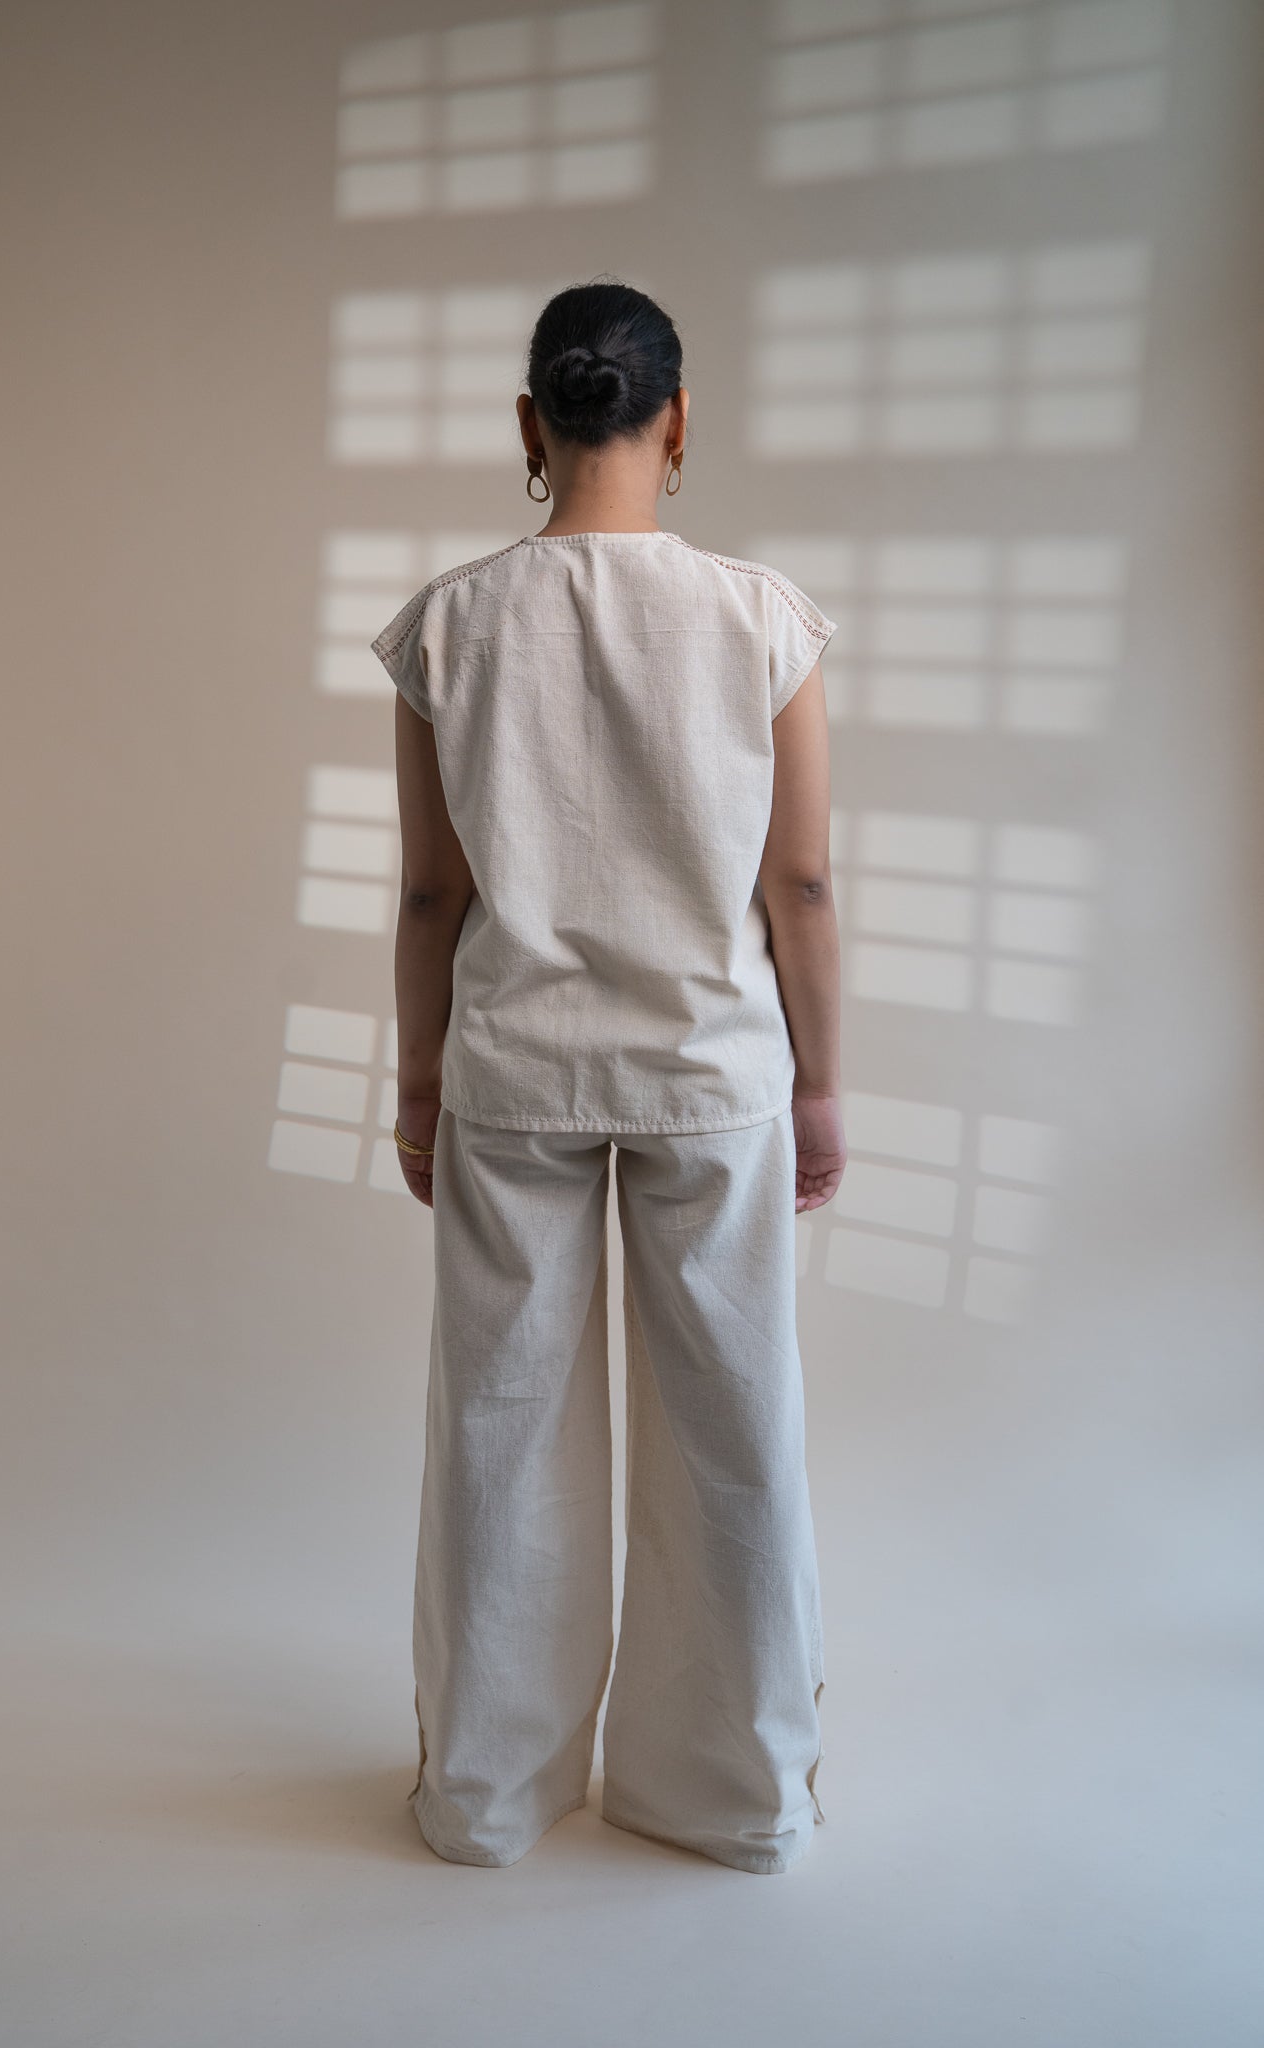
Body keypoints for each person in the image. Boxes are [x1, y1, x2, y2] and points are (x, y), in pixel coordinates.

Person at [371, 276, 847, 1876]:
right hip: (713, 1072)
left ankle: (486, 1794)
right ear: (677, 418)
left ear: (531, 421)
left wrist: (419, 1085)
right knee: (736, 1430)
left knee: (499, 1430)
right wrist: (820, 1086)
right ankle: (732, 1793)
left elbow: (430, 894)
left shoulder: (448, 625)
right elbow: (801, 887)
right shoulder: (762, 619)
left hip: (513, 1071)